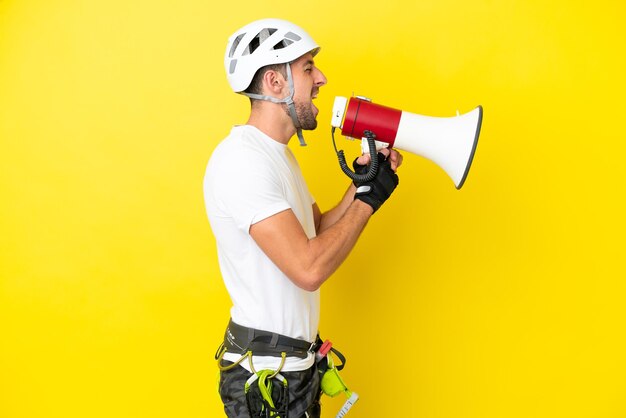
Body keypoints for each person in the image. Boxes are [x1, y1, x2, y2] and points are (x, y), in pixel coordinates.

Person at [203, 18, 402, 418]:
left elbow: (318, 231)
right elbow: (308, 267)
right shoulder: (242, 161)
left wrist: (366, 183)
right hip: (268, 383)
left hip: (292, 371)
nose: (321, 78)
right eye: (308, 67)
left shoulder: (278, 156)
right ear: (276, 83)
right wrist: (371, 201)